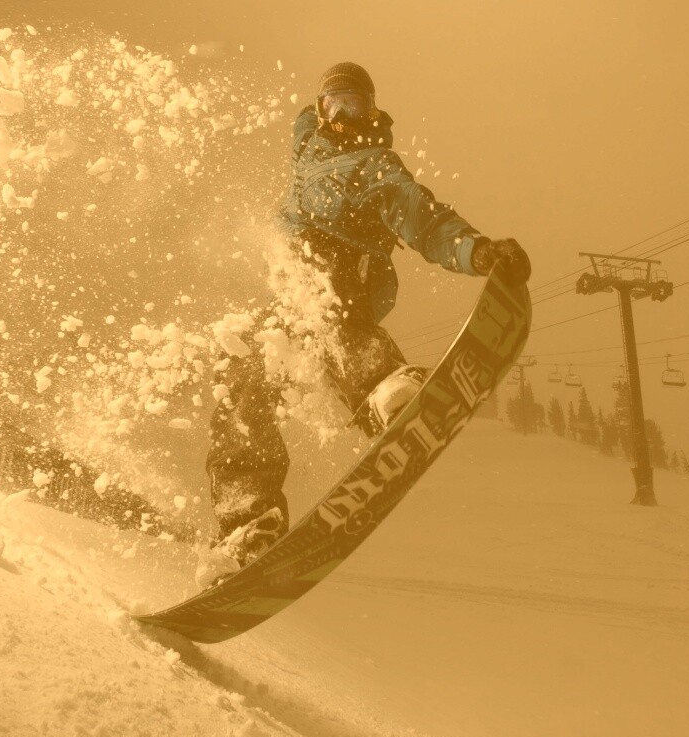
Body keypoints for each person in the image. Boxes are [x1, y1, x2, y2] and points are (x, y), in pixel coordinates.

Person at [197, 62, 530, 585]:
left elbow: (426, 220)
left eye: (356, 104)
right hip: (290, 301)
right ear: (321, 110)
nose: (345, 115)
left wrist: (478, 251)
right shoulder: (308, 149)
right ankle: (248, 522)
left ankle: (382, 385)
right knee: (240, 376)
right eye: (335, 105)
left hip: (345, 275)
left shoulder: (375, 164)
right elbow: (302, 126)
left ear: (371, 110)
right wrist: (311, 115)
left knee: (325, 300)